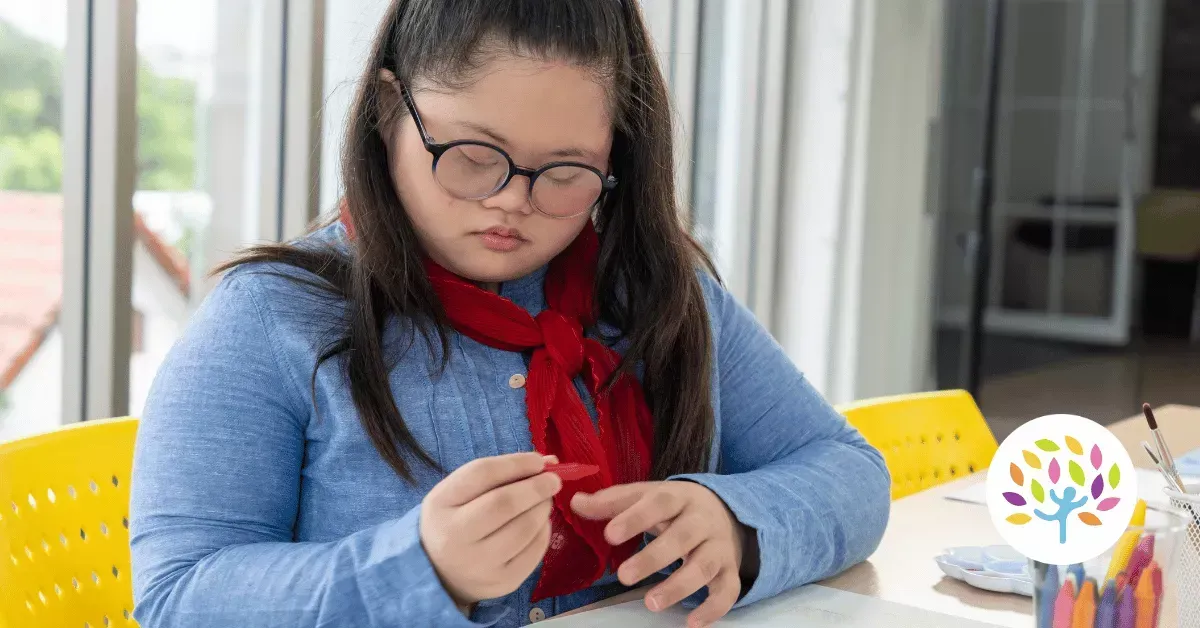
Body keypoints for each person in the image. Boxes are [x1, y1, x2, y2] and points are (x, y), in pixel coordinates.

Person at [128, 1, 891, 627]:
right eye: (472, 156)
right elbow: (177, 597)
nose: (512, 202)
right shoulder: (271, 316)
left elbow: (850, 472)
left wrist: (736, 522)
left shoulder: (657, 294)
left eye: (565, 172)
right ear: (390, 110)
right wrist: (419, 571)